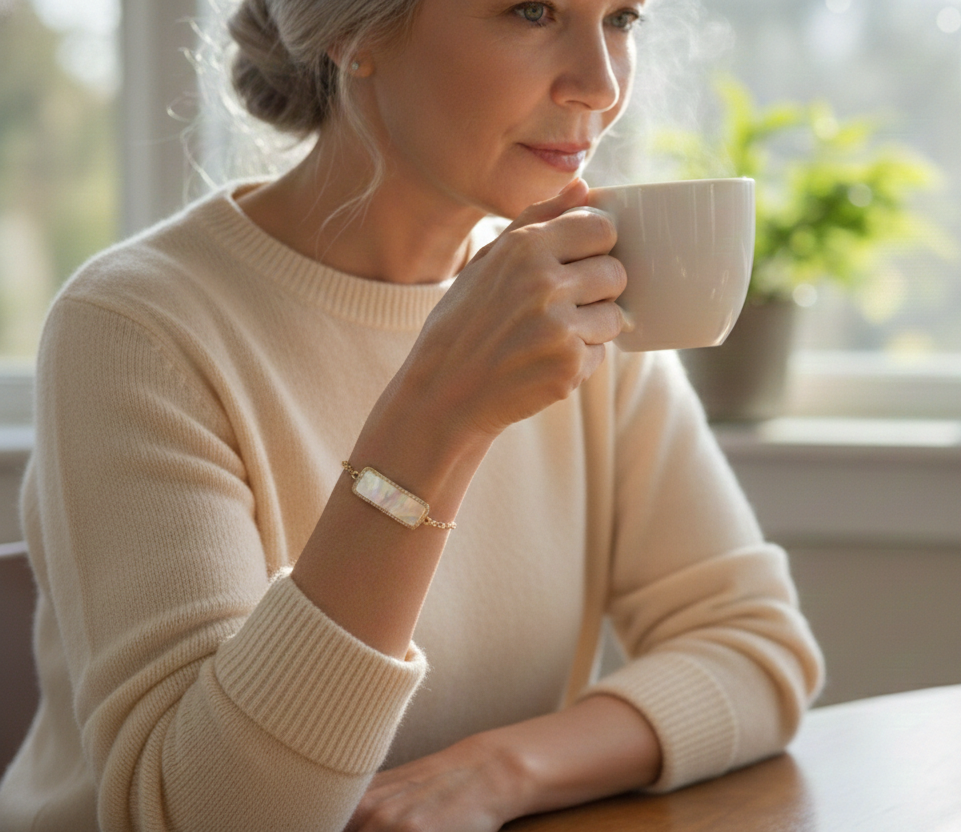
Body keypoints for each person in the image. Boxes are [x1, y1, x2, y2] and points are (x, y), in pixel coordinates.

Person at [0, 0, 825, 829]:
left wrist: (497, 774)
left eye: (620, 18)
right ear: (357, 34)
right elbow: (203, 812)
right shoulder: (137, 329)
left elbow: (756, 651)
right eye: (533, 11)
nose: (601, 85)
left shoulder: (574, 298)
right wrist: (439, 415)